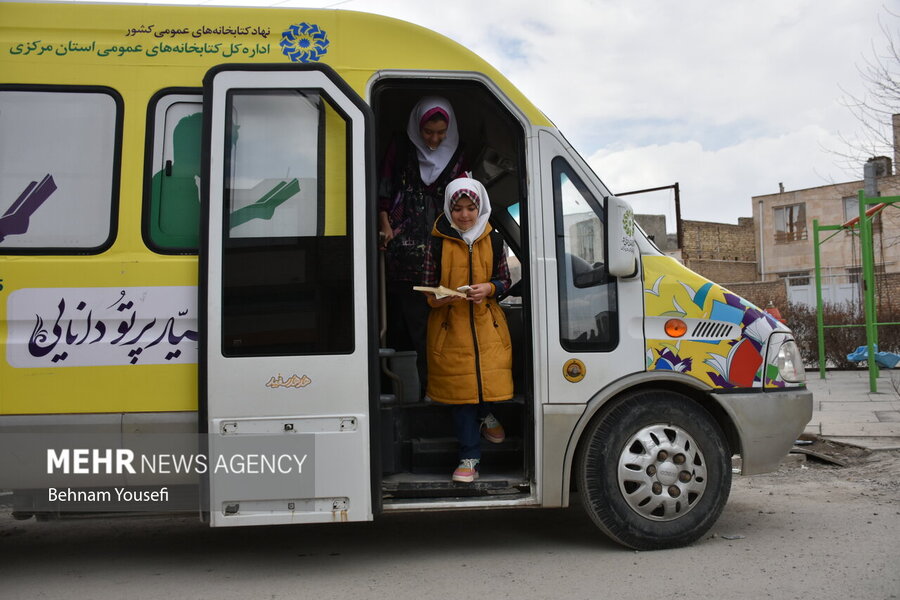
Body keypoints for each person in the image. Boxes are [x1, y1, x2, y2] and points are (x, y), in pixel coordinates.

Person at [422, 176, 513, 483]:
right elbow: (427, 288)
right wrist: (440, 297)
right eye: (457, 208)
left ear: (480, 207)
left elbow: (504, 281)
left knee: (486, 380)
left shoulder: (494, 239)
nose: (464, 215)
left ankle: (485, 414)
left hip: (488, 325)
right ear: (448, 209)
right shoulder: (436, 241)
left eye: (470, 208)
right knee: (461, 397)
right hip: (450, 329)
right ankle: (469, 457)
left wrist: (489, 288)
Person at [378, 96, 468, 396]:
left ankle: (440, 390)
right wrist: (385, 227)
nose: (434, 139)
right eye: (428, 132)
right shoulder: (401, 146)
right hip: (405, 252)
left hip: (443, 252)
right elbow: (384, 188)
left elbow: (463, 200)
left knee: (442, 328)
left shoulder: (458, 155)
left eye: (441, 133)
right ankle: (423, 393)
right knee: (412, 327)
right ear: (417, 127)